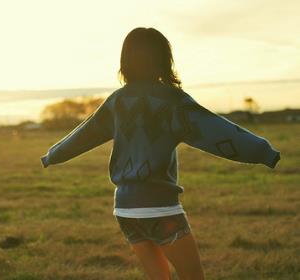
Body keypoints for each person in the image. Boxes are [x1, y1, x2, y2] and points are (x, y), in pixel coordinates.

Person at [40, 27, 281, 280]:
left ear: (126, 61)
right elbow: (219, 131)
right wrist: (264, 152)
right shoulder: (173, 102)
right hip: (160, 208)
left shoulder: (118, 101)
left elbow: (83, 135)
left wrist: (52, 155)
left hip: (125, 210)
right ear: (165, 59)